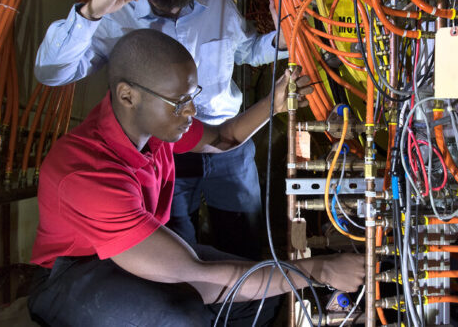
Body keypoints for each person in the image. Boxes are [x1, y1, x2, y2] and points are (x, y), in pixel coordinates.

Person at [28, 29, 364, 326]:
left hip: (138, 248)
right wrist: (319, 271)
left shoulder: (155, 129)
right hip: (74, 273)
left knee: (262, 299)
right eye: (179, 102)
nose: (190, 110)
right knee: (180, 317)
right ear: (128, 95)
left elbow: (224, 138)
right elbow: (195, 273)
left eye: (191, 96)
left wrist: (273, 103)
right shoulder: (88, 171)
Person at [34, 0, 288, 259]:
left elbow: (248, 52)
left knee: (245, 243)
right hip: (166, 154)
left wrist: (282, 40)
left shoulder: (220, 5)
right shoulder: (114, 18)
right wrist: (90, 13)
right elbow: (52, 72)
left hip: (230, 149)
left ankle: (246, 309)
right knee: (177, 250)